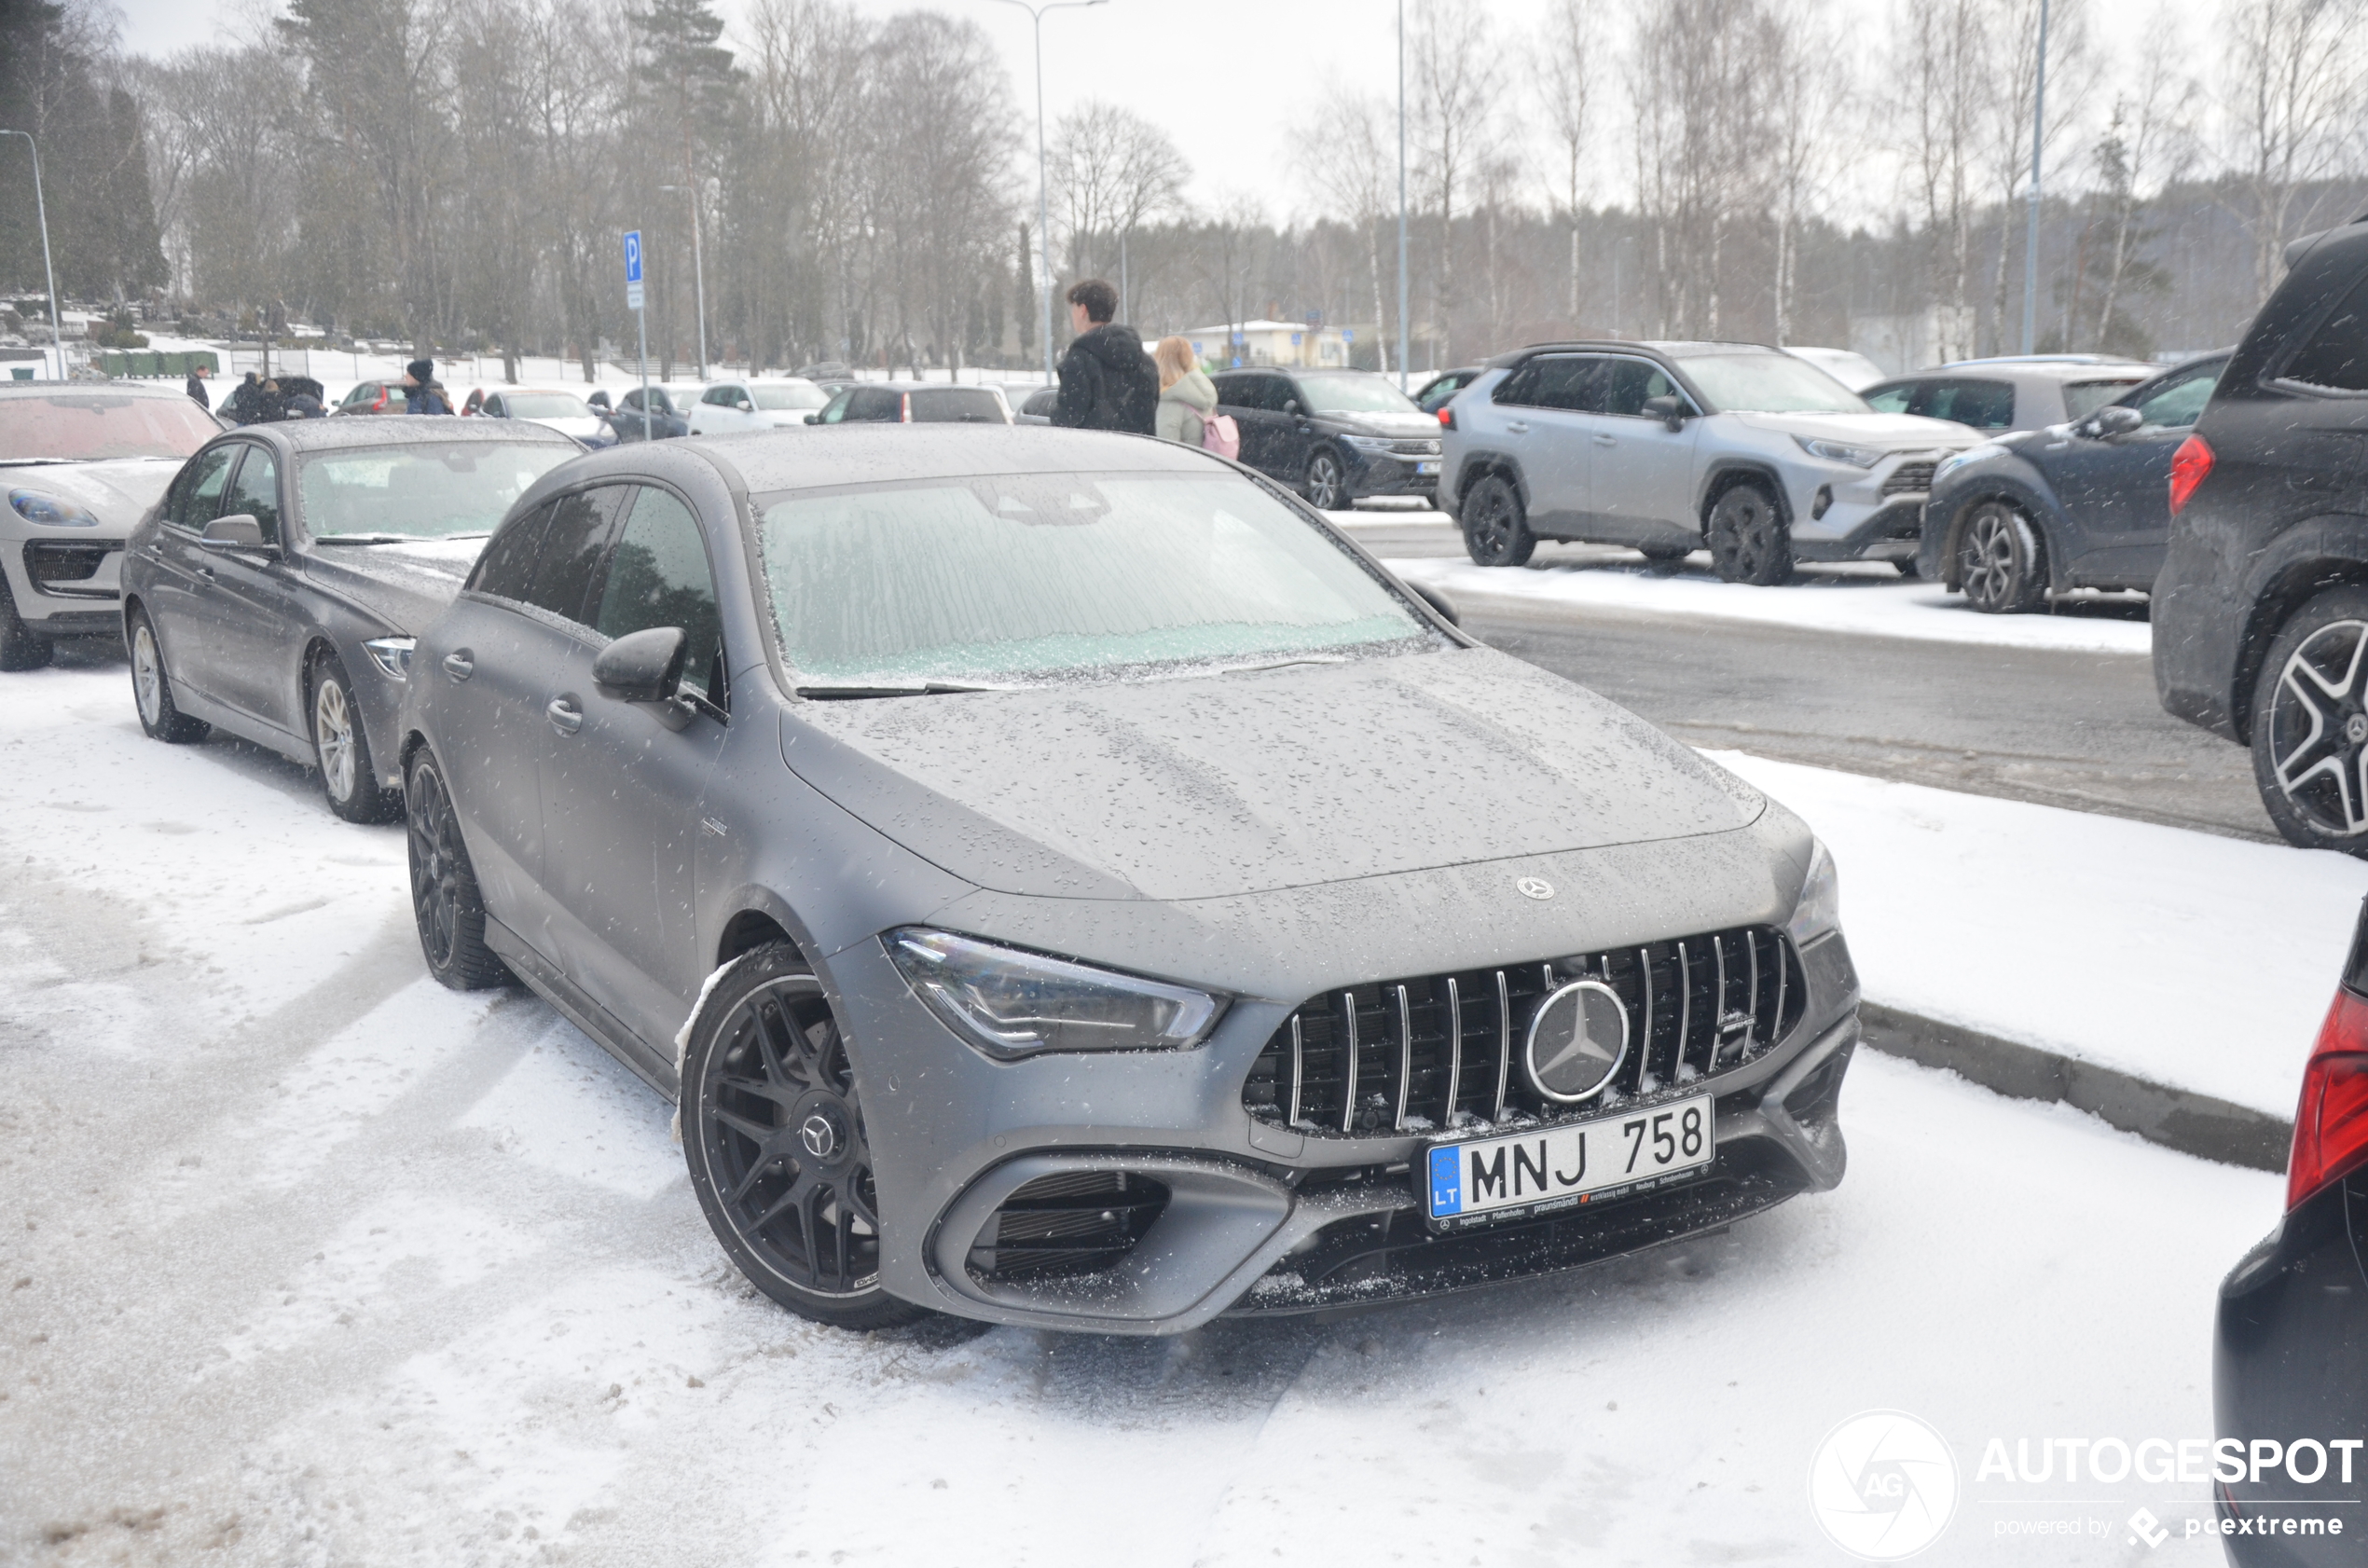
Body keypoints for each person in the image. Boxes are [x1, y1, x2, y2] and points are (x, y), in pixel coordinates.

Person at [1051, 278, 1156, 434]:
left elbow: (1068, 420)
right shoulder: (1145, 361)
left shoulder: (1079, 360)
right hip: (1138, 453)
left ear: (1083, 310)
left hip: (1093, 454)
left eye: (1073, 309)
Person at [1153, 337, 1216, 447]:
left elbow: (1165, 448)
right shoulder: (1201, 389)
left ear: (1160, 358)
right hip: (1207, 461)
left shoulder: (1171, 397)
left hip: (1184, 462)